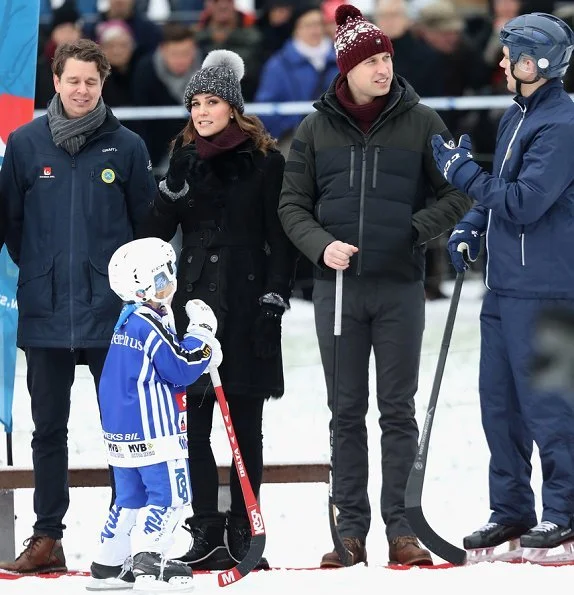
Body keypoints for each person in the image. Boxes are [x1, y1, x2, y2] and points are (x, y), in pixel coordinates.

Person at [278, 4, 472, 568]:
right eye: (373, 60)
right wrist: (319, 245)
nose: (384, 69)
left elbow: (457, 193)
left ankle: (402, 527)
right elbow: (292, 204)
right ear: (348, 68)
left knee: (397, 409)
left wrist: (415, 231)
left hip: (399, 288)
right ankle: (350, 530)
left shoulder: (422, 121)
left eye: (388, 58)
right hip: (336, 290)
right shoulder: (315, 129)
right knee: (344, 411)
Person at [0, 39, 157, 574]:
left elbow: (145, 229)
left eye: (92, 81)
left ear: (103, 83)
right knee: (48, 430)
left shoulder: (128, 146)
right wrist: (44, 271)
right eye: (74, 80)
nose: (82, 90)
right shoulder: (23, 145)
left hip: (111, 317)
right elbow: (13, 228)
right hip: (44, 313)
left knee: (124, 431)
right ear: (56, 81)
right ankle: (48, 537)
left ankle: (125, 534)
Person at [139, 49, 296, 571]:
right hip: (193, 305)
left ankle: (244, 531)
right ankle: (204, 528)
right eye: (195, 103)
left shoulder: (266, 160)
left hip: (248, 303)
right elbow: (154, 239)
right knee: (196, 423)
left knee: (245, 425)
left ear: (233, 107)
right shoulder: (182, 158)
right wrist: (169, 193)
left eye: (212, 101)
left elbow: (279, 237)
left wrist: (276, 294)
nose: (202, 111)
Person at [431, 12, 574, 556]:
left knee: (551, 405)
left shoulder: (561, 125)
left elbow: (524, 202)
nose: (500, 61)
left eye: (509, 52)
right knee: (501, 405)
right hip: (505, 288)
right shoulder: (517, 116)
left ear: (535, 62)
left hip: (550, 291)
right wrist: (470, 224)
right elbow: (502, 195)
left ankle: (565, 509)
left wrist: (460, 172)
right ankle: (512, 508)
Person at [87, 238, 223, 590]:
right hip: (155, 433)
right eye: (168, 276)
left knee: (129, 497)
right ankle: (151, 560)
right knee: (172, 496)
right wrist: (204, 338)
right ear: (152, 285)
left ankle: (109, 563)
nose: (172, 282)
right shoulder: (147, 324)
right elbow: (179, 366)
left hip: (122, 435)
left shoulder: (127, 322)